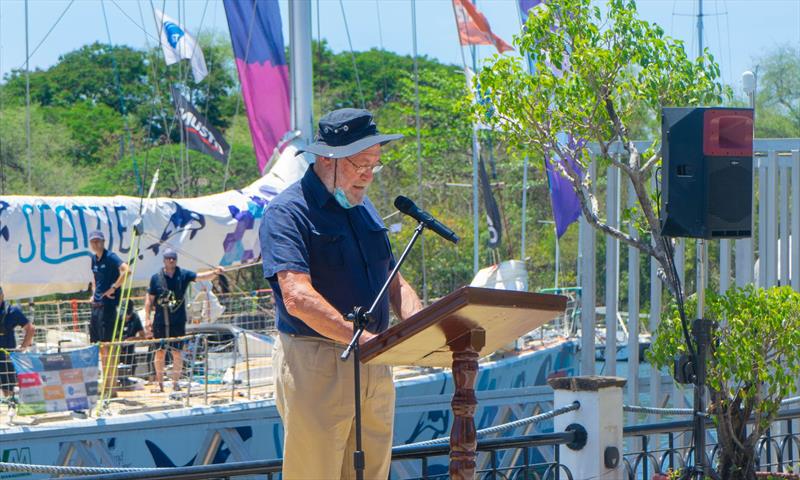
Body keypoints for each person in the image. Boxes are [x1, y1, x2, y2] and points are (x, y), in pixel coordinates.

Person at [260, 108, 423, 479]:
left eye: (374, 165)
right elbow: (297, 296)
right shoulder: (288, 212)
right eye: (359, 164)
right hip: (318, 362)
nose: (367, 175)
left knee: (373, 473)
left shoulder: (364, 208)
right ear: (325, 158)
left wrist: (421, 330)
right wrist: (365, 342)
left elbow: (393, 280)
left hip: (374, 362)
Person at [144, 249, 222, 392]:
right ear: (164, 260)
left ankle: (175, 383)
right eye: (168, 258)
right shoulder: (156, 278)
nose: (171, 261)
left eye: (173, 258)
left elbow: (200, 277)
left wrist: (215, 272)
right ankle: (159, 383)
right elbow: (149, 299)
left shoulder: (183, 275)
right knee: (159, 352)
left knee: (177, 352)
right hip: (160, 321)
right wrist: (147, 318)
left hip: (178, 320)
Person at [88, 230, 129, 375]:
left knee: (107, 345)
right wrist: (94, 294)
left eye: (98, 241)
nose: (96, 244)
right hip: (96, 306)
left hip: (108, 306)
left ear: (103, 241)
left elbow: (127, 271)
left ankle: (111, 382)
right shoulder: (94, 259)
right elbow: (95, 277)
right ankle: (106, 379)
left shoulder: (111, 257)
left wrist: (113, 288)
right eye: (93, 241)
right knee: (98, 345)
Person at [0, 286, 35, 396]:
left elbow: (30, 328)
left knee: (8, 388)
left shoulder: (12, 311)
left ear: (2, 296)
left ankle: (10, 405)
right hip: (5, 354)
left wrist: (23, 347)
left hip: (6, 354)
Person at [120, 302, 145, 370]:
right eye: (125, 313)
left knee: (131, 361)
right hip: (117, 349)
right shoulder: (116, 317)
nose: (127, 316)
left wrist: (132, 338)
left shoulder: (135, 318)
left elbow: (143, 336)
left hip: (129, 350)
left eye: (129, 313)